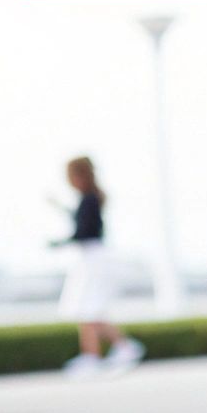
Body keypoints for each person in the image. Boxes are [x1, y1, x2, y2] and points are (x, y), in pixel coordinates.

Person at [51, 156, 145, 380]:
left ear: (79, 176)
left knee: (88, 308)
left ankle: (101, 354)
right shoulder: (90, 199)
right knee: (88, 309)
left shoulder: (89, 200)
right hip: (93, 257)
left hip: (93, 259)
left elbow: (84, 231)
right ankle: (104, 352)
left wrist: (60, 243)